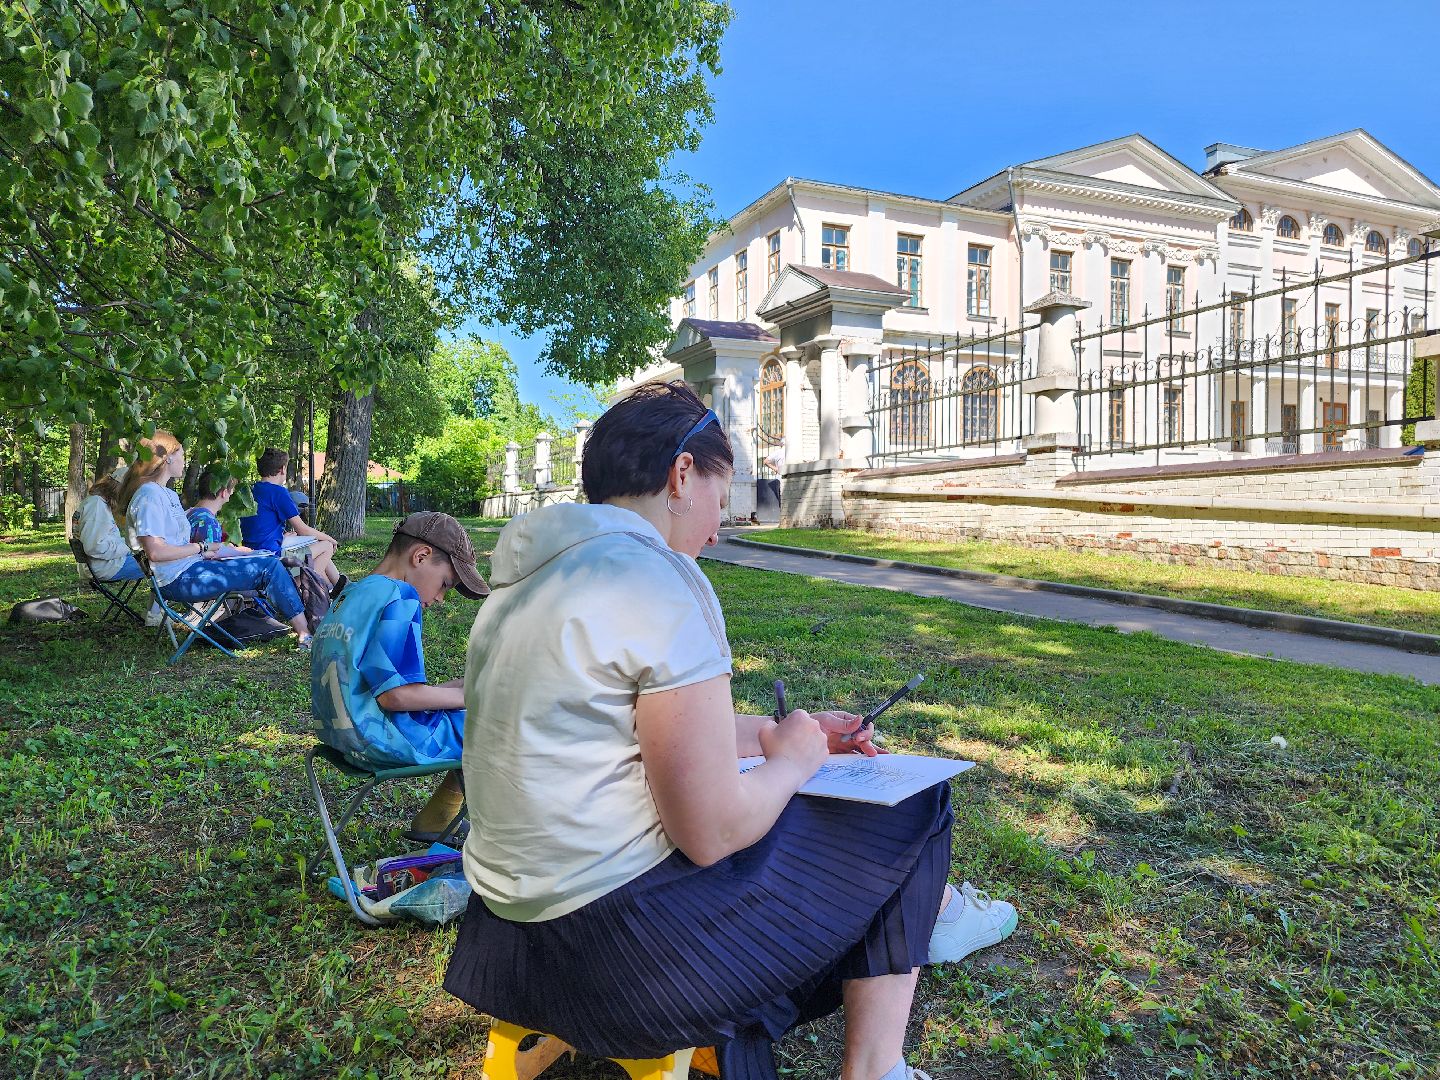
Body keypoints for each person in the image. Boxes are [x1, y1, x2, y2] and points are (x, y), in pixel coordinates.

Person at [445, 382, 1017, 1080]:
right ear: (682, 474)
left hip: (506, 943)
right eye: (722, 496)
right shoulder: (657, 578)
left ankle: (930, 933)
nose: (718, 528)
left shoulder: (519, 589)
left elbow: (626, 725)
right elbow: (710, 832)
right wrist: (796, 760)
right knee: (916, 804)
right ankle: (876, 1065)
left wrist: (776, 735)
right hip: (622, 957)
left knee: (803, 800)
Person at [310, 512, 489, 842]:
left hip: (341, 735)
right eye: (445, 584)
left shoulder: (353, 594)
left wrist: (459, 688)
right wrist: (476, 696)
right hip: (379, 737)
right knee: (497, 726)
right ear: (420, 556)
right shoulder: (400, 596)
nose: (439, 598)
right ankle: (501, 834)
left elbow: (381, 685)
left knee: (465, 708)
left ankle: (439, 819)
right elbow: (396, 697)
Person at [120, 431, 314, 649]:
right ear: (168, 458)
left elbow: (182, 545)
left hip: (190, 569)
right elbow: (156, 552)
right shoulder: (149, 496)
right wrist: (202, 547)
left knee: (266, 560)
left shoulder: (166, 494)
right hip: (178, 580)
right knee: (269, 567)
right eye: (182, 455)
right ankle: (305, 633)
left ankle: (303, 628)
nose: (185, 460)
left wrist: (225, 551)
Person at [239, 448, 345, 596]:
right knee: (326, 546)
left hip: (253, 553)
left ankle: (340, 586)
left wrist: (284, 537)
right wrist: (330, 538)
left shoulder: (251, 491)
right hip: (273, 557)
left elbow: (259, 528)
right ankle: (318, 589)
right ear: (282, 469)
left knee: (311, 544)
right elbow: (303, 529)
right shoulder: (278, 492)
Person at [74, 469, 143, 583]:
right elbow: (94, 547)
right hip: (105, 567)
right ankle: (159, 601)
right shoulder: (97, 506)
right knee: (160, 563)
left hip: (103, 565)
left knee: (157, 560)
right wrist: (128, 547)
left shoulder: (96, 503)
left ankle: (158, 601)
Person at [186, 466, 253, 552]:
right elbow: (210, 560)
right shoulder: (208, 521)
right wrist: (239, 551)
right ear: (224, 493)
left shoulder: (190, 512)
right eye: (231, 492)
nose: (231, 496)